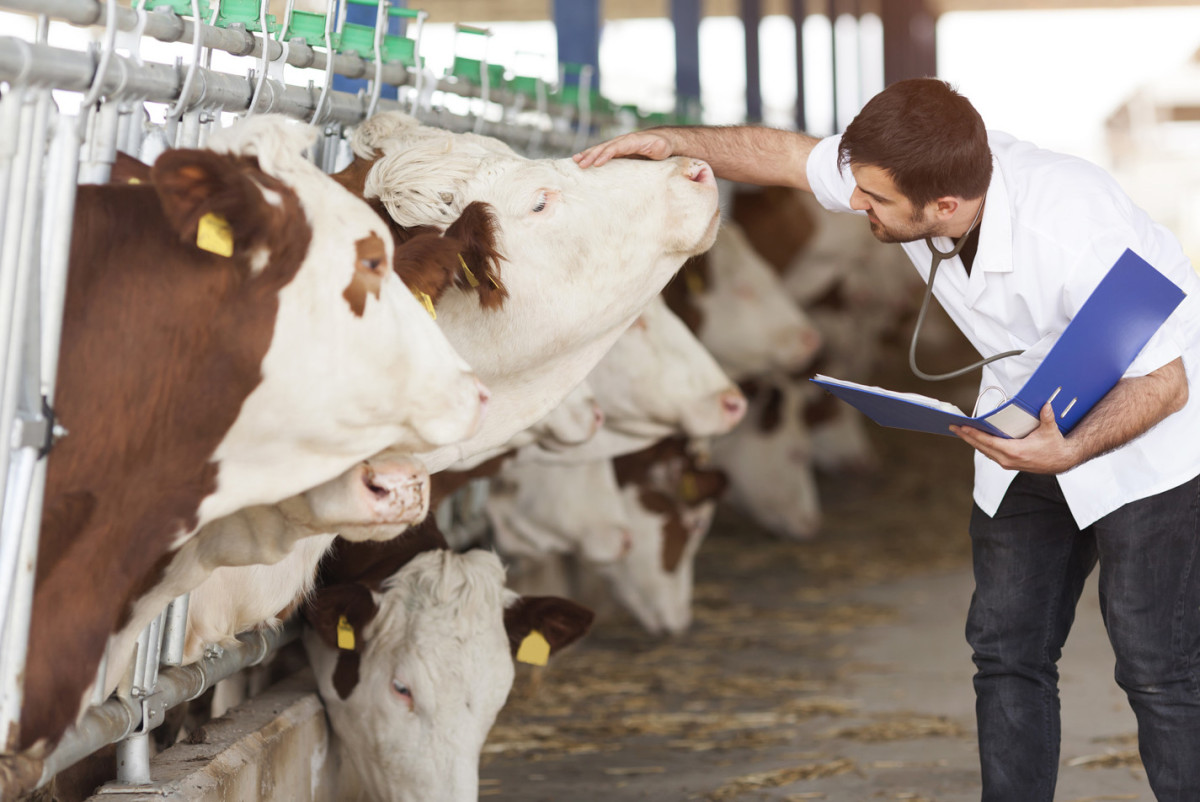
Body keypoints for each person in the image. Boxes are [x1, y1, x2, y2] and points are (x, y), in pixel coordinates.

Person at [574, 77, 1200, 802]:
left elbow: (1166, 382)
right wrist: (675, 143)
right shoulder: (908, 173)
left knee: (1156, 666)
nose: (855, 204)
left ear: (944, 206)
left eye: (873, 199)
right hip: (1022, 421)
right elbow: (783, 156)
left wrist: (1071, 451)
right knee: (1006, 650)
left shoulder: (1073, 227)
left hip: (1144, 440)